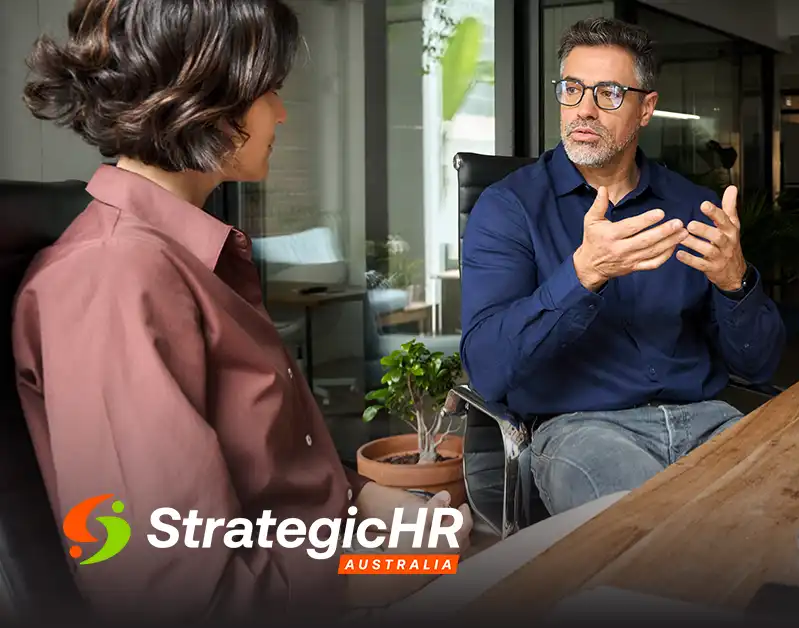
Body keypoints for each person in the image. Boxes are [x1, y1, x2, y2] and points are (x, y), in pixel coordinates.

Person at [12, 0, 470, 622]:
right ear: (204, 96)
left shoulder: (189, 256)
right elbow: (174, 594)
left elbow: (270, 484)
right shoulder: (114, 279)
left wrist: (367, 507)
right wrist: (382, 567)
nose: (281, 112)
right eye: (270, 91)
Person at [459, 17, 786, 516]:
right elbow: (486, 368)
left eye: (609, 92)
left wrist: (735, 283)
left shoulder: (693, 207)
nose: (584, 109)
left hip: (707, 420)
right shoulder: (509, 209)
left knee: (793, 505)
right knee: (650, 540)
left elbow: (759, 366)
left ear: (646, 108)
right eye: (572, 89)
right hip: (582, 431)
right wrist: (582, 276)